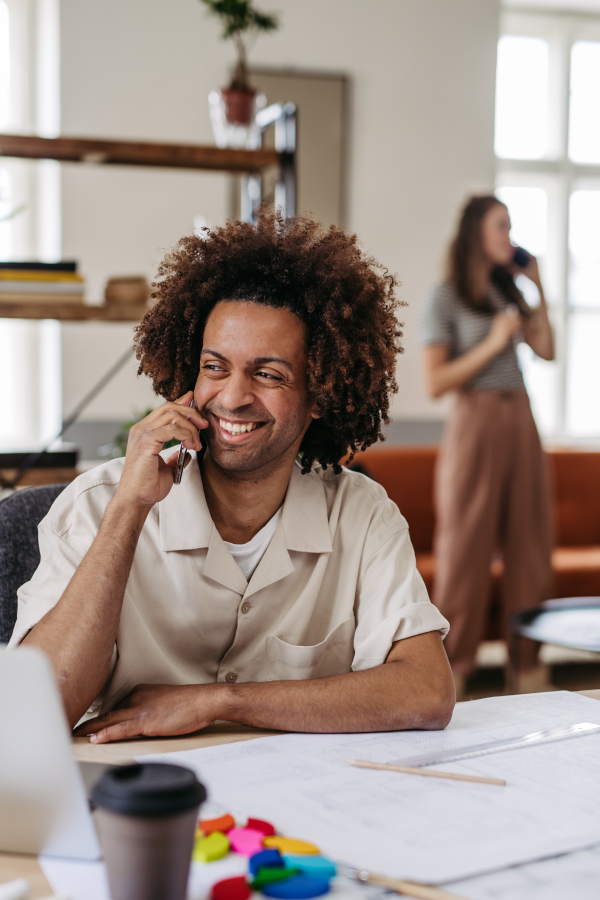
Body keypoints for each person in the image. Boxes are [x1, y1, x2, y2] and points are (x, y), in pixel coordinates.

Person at [10, 209, 454, 741]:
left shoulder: (361, 516)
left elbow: (427, 690)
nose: (233, 396)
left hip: (293, 804)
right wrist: (127, 511)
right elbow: (32, 716)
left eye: (268, 374)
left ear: (319, 395)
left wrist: (221, 701)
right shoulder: (97, 504)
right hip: (125, 798)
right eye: (215, 366)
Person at [419, 195, 554, 700]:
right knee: (465, 551)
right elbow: (435, 382)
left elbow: (548, 350)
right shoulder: (446, 296)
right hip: (474, 420)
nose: (509, 236)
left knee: (531, 546)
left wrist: (537, 287)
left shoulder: (508, 290)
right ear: (477, 231)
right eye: (502, 226)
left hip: (520, 416)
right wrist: (494, 342)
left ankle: (529, 668)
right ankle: (452, 674)